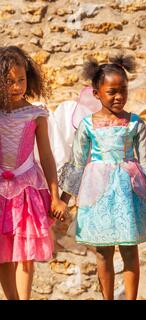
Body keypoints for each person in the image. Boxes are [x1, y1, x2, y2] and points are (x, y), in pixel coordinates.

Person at [59, 55, 146, 300]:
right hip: (97, 193)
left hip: (130, 193)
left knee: (130, 249)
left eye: (123, 90)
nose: (119, 96)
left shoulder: (135, 123)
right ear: (97, 93)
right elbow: (77, 163)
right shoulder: (87, 125)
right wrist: (63, 200)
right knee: (102, 251)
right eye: (112, 91)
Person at [0, 46, 66, 300]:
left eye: (21, 80)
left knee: (25, 254)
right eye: (9, 81)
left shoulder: (35, 114)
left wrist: (56, 196)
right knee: (4, 257)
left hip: (26, 189)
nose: (17, 86)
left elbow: (46, 156)